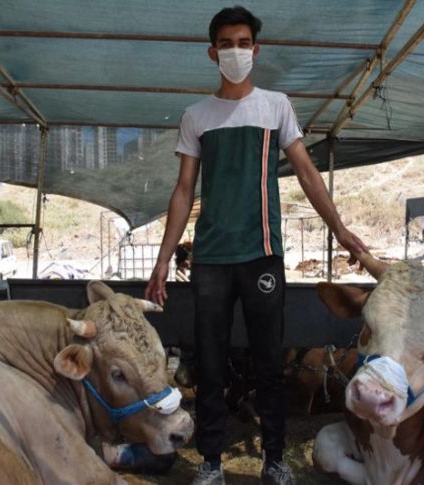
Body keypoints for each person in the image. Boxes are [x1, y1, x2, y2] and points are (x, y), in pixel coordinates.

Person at [145, 6, 368, 485]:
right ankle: (210, 463)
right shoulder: (196, 116)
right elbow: (184, 190)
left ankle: (274, 460)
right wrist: (163, 261)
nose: (236, 52)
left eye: (244, 43)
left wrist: (341, 229)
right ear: (212, 52)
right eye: (227, 44)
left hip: (263, 254)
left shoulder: (276, 106)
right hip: (210, 259)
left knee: (269, 361)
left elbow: (307, 172)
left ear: (256, 50)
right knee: (209, 359)